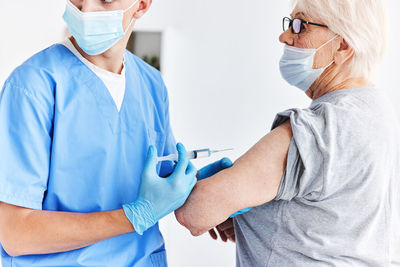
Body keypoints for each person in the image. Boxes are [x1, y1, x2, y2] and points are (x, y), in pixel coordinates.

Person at [175, 0, 400, 266]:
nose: (284, 36)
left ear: (343, 45)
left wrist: (195, 189)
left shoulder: (320, 128)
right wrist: (255, 219)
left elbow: (197, 211)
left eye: (300, 25)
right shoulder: (377, 112)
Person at [0, 0, 198, 266]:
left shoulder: (151, 83)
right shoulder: (33, 86)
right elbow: (16, 233)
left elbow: (162, 182)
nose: (87, 9)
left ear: (140, 5)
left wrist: (208, 189)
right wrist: (133, 217)